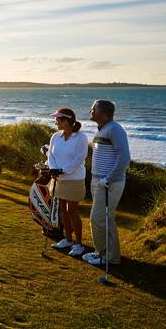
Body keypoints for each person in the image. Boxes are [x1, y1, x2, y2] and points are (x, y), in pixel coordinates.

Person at [82, 100, 130, 266]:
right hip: (99, 180)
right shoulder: (103, 129)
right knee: (104, 219)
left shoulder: (115, 129)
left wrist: (107, 179)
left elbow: (124, 158)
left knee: (99, 219)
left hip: (108, 182)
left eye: (93, 108)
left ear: (103, 113)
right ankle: (105, 254)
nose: (90, 110)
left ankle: (107, 257)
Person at [47, 108, 89, 257]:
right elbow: (50, 155)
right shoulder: (55, 136)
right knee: (63, 210)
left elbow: (79, 159)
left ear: (66, 120)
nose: (56, 122)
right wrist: (53, 169)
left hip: (74, 179)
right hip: (59, 178)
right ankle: (68, 239)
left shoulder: (81, 137)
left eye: (58, 119)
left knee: (72, 211)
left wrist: (63, 170)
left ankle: (78, 244)